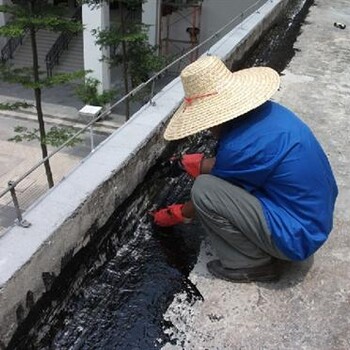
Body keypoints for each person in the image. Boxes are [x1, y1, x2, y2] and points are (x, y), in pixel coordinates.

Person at [152, 55, 338, 282]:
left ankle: (251, 265)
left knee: (203, 189)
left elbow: (215, 191)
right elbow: (243, 165)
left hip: (297, 236)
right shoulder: (269, 114)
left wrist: (179, 214)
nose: (207, 129)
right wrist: (197, 163)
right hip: (313, 218)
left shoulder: (240, 147)